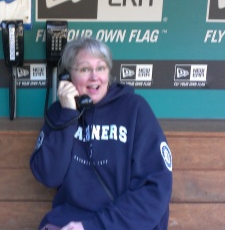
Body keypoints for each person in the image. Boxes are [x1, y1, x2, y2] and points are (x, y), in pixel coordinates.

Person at [30, 38, 173, 230]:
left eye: (101, 68)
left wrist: (93, 226)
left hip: (122, 223)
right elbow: (48, 176)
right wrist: (68, 116)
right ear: (68, 77)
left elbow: (156, 188)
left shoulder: (135, 109)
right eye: (84, 69)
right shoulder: (60, 113)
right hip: (70, 222)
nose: (94, 77)